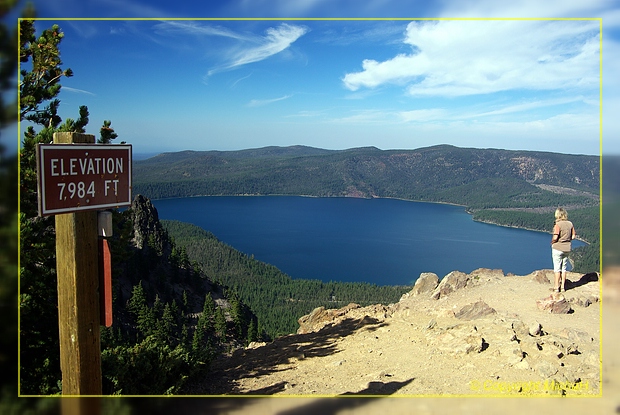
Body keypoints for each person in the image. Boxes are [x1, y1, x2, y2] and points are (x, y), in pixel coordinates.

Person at [550, 207, 576, 292]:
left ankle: (556, 287)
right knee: (564, 268)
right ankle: (563, 287)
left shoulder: (558, 224)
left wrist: (553, 242)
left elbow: (555, 236)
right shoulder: (570, 224)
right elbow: (573, 236)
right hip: (567, 248)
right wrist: (567, 240)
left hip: (558, 248)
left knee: (557, 268)